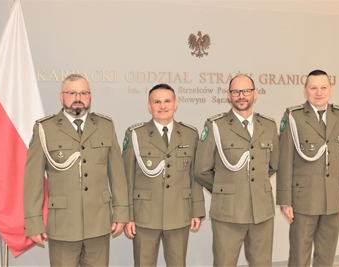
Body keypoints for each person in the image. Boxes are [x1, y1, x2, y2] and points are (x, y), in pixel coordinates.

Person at [23, 74, 129, 266]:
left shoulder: (105, 125)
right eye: (72, 93)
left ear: (90, 97)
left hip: (98, 222)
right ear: (61, 97)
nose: (78, 98)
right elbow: (33, 181)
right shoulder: (44, 129)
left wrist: (121, 211)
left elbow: (117, 174)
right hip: (63, 224)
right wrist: (33, 221)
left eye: (83, 93)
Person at [194, 74, 279, 266]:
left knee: (263, 263)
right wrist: (225, 189)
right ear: (229, 95)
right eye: (236, 92)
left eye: (246, 91)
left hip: (261, 211)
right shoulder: (215, 125)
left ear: (255, 94)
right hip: (228, 212)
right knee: (224, 263)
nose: (241, 96)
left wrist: (253, 185)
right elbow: (201, 169)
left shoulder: (269, 125)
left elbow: (273, 165)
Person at [122, 83, 205, 266]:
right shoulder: (135, 134)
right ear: (149, 105)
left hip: (179, 213)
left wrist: (196, 211)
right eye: (157, 102)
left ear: (175, 103)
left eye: (167, 101)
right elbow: (126, 179)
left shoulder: (190, 134)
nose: (162, 106)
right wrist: (127, 215)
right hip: (144, 216)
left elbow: (195, 176)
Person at [276, 69, 339, 267]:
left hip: (333, 198)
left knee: (327, 255)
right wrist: (285, 199)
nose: (319, 92)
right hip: (304, 199)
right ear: (305, 90)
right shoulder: (294, 116)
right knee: (300, 255)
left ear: (330, 89)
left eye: (323, 87)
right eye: (313, 88)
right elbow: (284, 160)